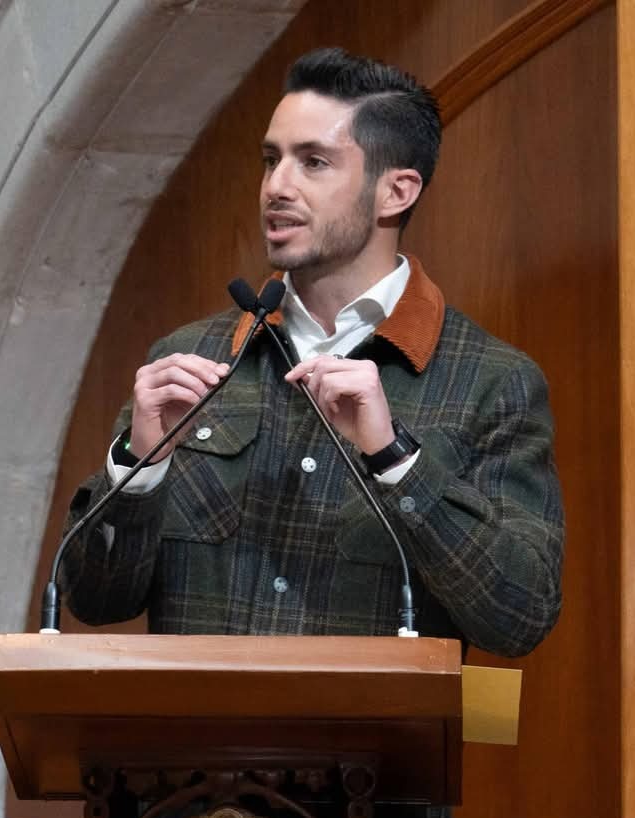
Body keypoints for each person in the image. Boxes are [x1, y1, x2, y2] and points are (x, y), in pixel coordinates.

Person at [59, 47, 563, 657]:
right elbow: (93, 600)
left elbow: (519, 617)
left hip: (374, 724)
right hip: (198, 722)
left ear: (396, 192)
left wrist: (397, 461)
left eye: (313, 162)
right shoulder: (190, 357)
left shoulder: (492, 383)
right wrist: (140, 465)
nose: (276, 186)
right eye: (272, 160)